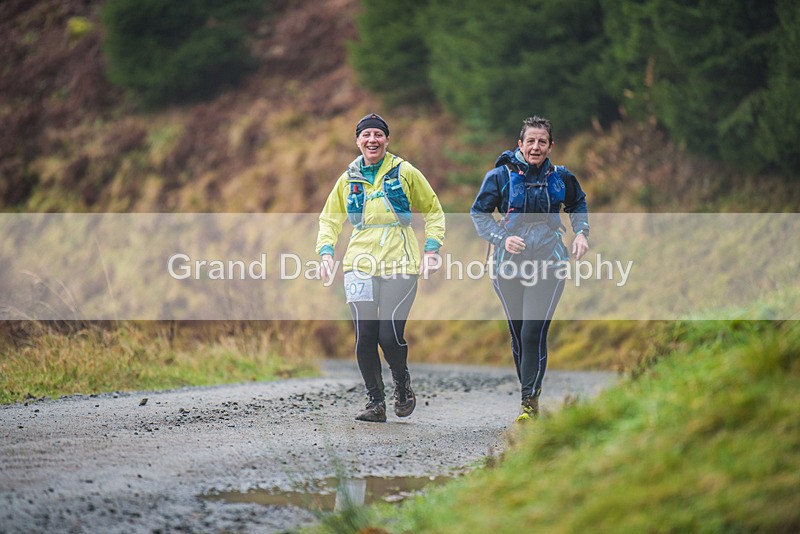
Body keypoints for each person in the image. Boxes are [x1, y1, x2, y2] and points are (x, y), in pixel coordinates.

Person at [316, 113, 446, 423]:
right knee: (364, 336)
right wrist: (325, 253)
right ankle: (376, 403)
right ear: (357, 141)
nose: (372, 139)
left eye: (378, 134)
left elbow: (434, 211)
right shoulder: (348, 179)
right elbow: (329, 219)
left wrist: (431, 249)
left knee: (389, 335)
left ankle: (402, 386)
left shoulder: (405, 172)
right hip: (359, 265)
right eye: (366, 135)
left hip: (400, 263)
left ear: (387, 140)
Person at [471, 115, 589, 422]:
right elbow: (479, 215)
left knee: (534, 331)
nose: (536, 147)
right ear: (519, 144)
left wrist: (581, 234)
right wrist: (502, 238)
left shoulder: (562, 177)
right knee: (519, 332)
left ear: (551, 146)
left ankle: (528, 402)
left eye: (542, 141)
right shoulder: (498, 176)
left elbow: (578, 203)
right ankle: (529, 394)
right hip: (507, 265)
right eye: (530, 141)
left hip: (550, 262)